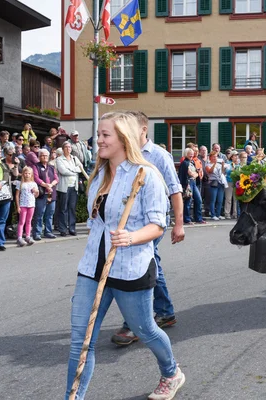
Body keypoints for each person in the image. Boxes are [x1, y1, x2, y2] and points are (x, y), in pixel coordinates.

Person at [65, 111, 184, 400]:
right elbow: (96, 224)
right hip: (93, 268)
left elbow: (157, 224)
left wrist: (131, 236)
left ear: (123, 138)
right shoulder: (99, 175)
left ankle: (171, 372)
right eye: (99, 135)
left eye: (105, 135)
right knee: (80, 342)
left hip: (131, 267)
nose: (98, 141)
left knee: (145, 330)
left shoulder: (147, 175)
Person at [111, 110, 184, 347]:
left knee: (136, 265)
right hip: (127, 222)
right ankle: (165, 311)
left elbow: (175, 190)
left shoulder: (159, 156)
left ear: (143, 129)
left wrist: (179, 224)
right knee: (152, 264)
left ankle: (134, 323)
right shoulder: (124, 153)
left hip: (152, 223)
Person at [56, 141, 87, 237]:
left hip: (74, 186)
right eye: (66, 147)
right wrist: (75, 170)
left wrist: (73, 170)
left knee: (72, 208)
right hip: (64, 187)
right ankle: (63, 229)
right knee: (63, 208)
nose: (68, 149)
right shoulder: (59, 159)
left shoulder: (74, 158)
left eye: (69, 147)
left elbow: (81, 168)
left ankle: (72, 228)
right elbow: (63, 171)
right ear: (63, 149)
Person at [32, 149, 58, 240]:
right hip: (42, 193)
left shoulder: (51, 167)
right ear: (39, 157)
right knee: (39, 213)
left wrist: (51, 185)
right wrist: (45, 185)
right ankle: (37, 233)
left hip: (51, 192)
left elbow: (56, 178)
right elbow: (35, 178)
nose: (44, 157)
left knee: (50, 213)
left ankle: (48, 231)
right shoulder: (36, 166)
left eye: (46, 155)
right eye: (42, 155)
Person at [14, 166, 38, 246]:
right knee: (22, 221)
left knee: (29, 221)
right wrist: (18, 206)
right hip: (23, 205)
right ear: (23, 174)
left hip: (31, 205)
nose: (27, 175)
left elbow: (36, 195)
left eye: (29, 173)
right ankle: (19, 237)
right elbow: (17, 195)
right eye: (26, 173)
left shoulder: (34, 184)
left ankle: (28, 235)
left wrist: (36, 191)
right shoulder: (20, 184)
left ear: (31, 175)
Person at [205, 150, 226, 221]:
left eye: (216, 157)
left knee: (220, 200)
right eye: (213, 157)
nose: (215, 158)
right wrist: (214, 164)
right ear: (210, 158)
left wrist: (222, 165)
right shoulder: (207, 164)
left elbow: (223, 172)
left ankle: (218, 214)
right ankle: (213, 215)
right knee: (213, 200)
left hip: (220, 182)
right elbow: (210, 171)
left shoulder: (219, 164)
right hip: (213, 183)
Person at [224, 151, 240, 219]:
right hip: (229, 181)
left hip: (236, 182)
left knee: (235, 199)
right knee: (228, 198)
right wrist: (232, 170)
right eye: (235, 156)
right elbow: (227, 171)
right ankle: (227, 213)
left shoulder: (238, 164)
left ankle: (235, 213)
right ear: (231, 157)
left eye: (237, 156)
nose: (236, 157)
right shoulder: (228, 163)